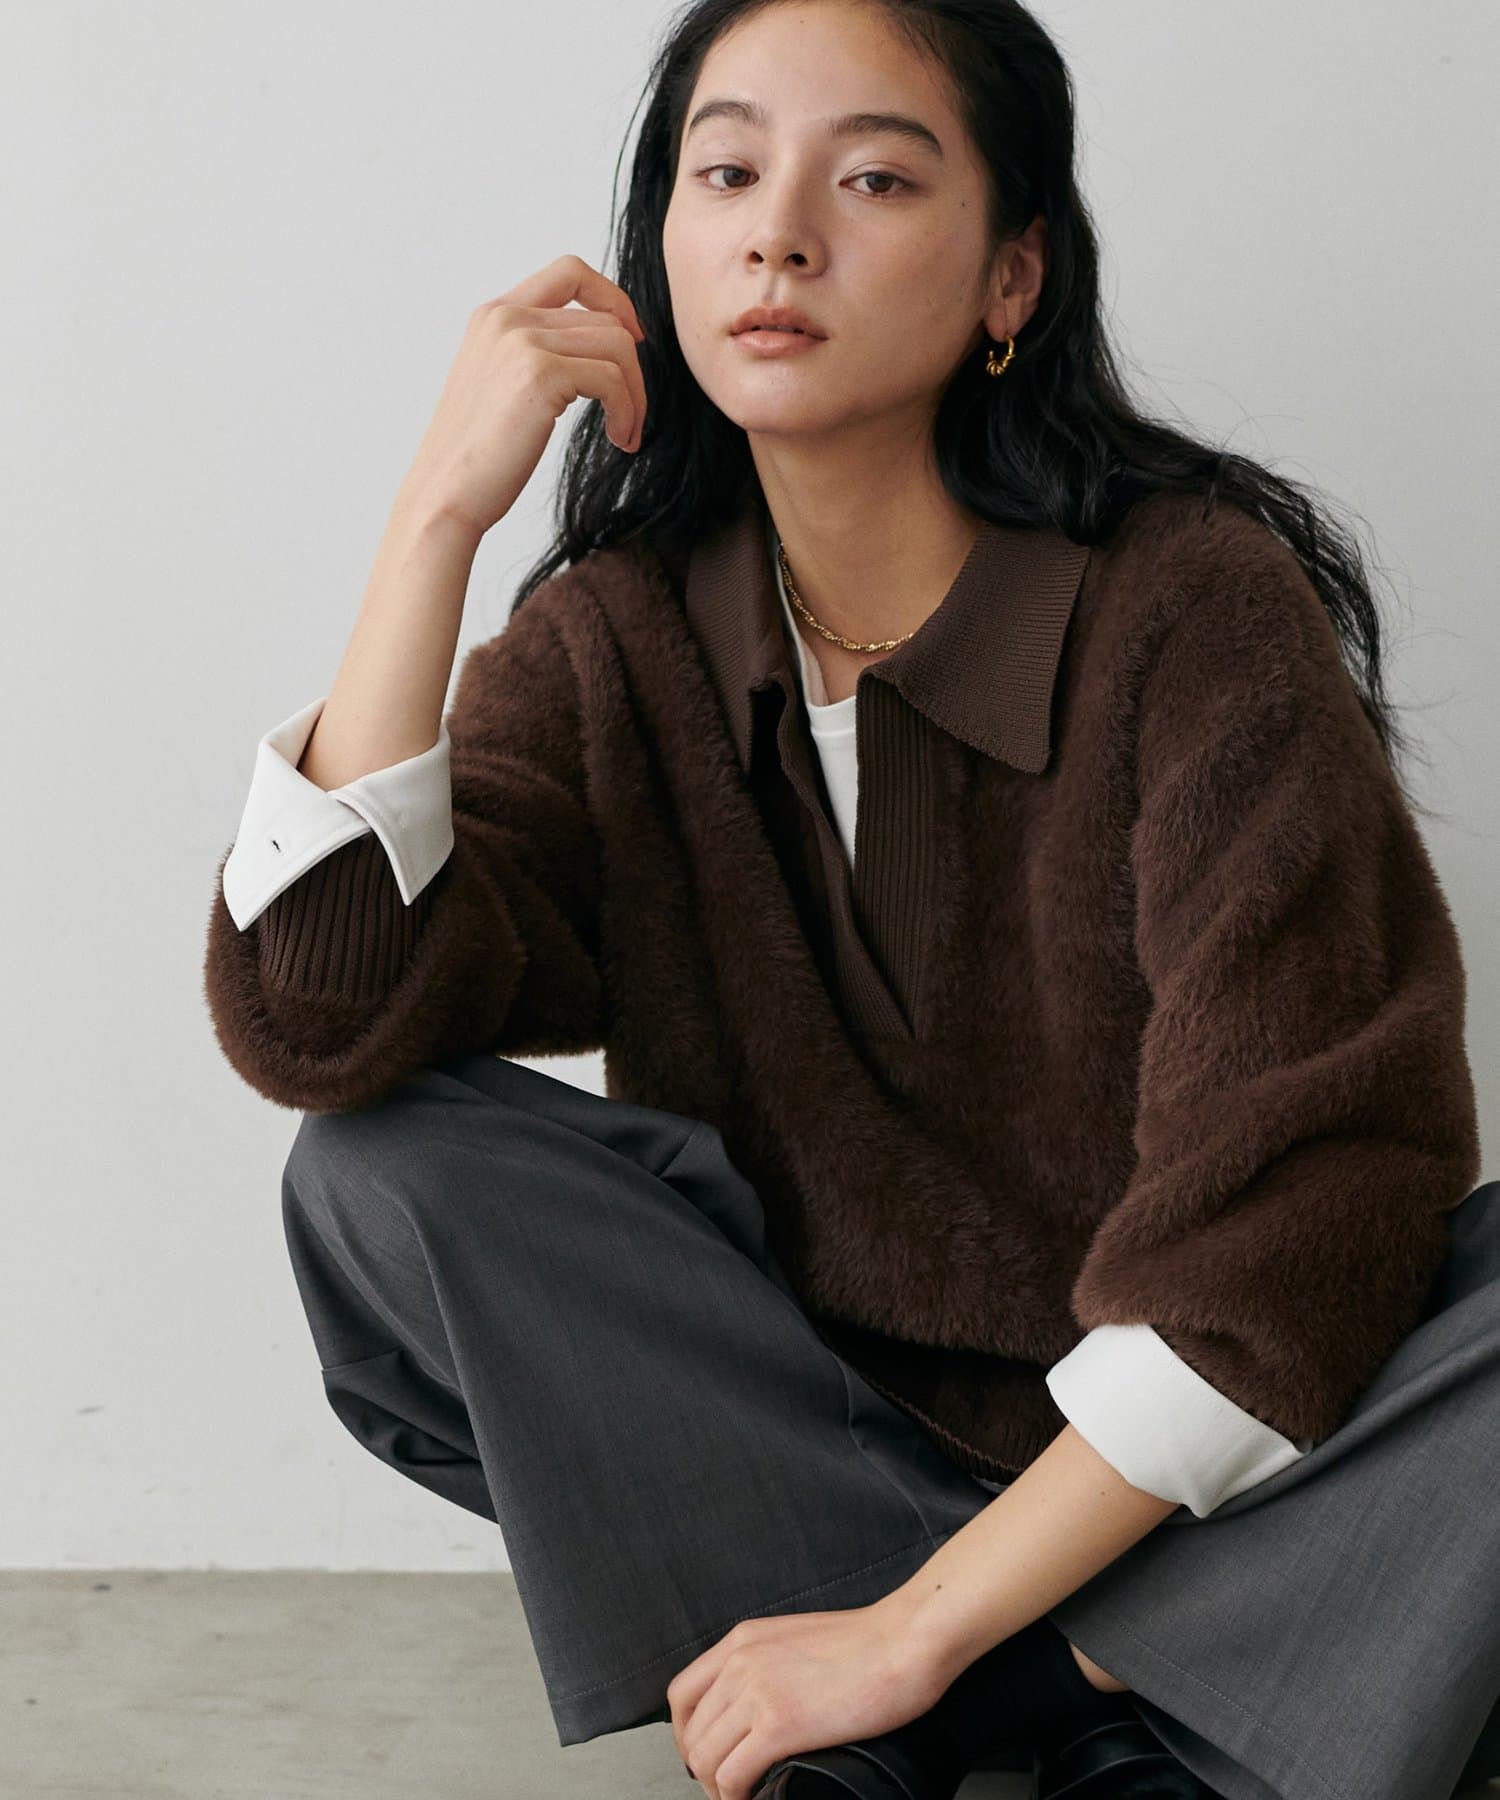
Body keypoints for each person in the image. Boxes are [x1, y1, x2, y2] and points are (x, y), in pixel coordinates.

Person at [202, 3, 1500, 1798]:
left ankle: (970, 1672)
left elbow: (1300, 1212)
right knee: (375, 1177)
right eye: (727, 172)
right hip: (813, 1437)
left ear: (1012, 277)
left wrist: (923, 1630)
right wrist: (437, 516)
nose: (779, 235)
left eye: (874, 179)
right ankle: (1165, 1680)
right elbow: (323, 1023)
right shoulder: (618, 640)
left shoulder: (1195, 610)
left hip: (1224, 1458)